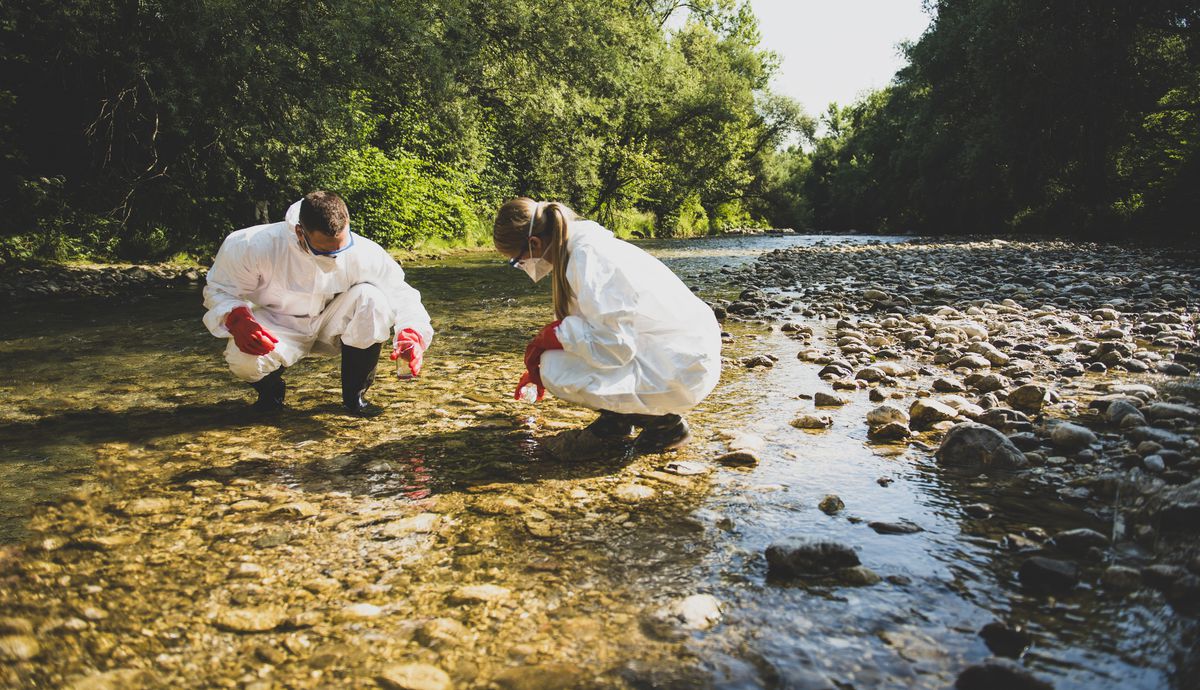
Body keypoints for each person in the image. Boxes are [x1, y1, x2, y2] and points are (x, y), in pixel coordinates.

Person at [494, 198, 721, 451]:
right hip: (673, 353)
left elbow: (615, 347)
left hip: (682, 365)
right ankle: (619, 418)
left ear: (534, 243)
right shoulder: (579, 249)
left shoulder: (588, 258)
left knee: (553, 368)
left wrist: (550, 338)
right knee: (555, 359)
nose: (522, 267)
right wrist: (554, 342)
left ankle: (664, 425)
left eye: (518, 261)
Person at [203, 191, 433, 416]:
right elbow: (220, 289)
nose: (334, 256)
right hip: (276, 323)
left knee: (372, 299)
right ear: (300, 232)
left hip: (331, 322)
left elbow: (401, 295)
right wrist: (237, 318)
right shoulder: (250, 245)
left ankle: (355, 397)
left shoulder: (366, 252)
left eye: (341, 247)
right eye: (324, 250)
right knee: (242, 360)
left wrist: (412, 334)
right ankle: (271, 394)